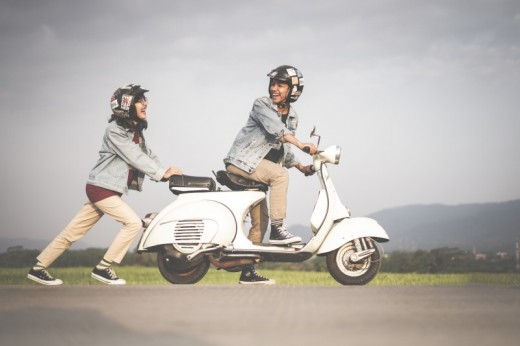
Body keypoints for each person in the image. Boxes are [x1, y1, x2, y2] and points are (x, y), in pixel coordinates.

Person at [27, 84, 183, 285]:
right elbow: (134, 156)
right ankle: (104, 267)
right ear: (126, 105)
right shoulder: (114, 131)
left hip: (105, 190)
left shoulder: (133, 131)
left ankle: (38, 268)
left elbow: (147, 154)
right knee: (133, 223)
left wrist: (167, 172)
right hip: (100, 188)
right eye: (139, 100)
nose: (145, 103)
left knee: (73, 232)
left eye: (144, 100)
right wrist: (162, 174)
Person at [224, 65, 317, 285]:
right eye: (273, 84)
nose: (274, 88)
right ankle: (279, 230)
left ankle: (247, 272)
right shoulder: (261, 104)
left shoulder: (292, 116)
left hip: (258, 169)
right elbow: (278, 131)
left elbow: (283, 150)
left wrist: (301, 166)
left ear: (293, 90)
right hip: (241, 162)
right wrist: (302, 143)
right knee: (280, 176)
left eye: (280, 85)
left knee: (260, 222)